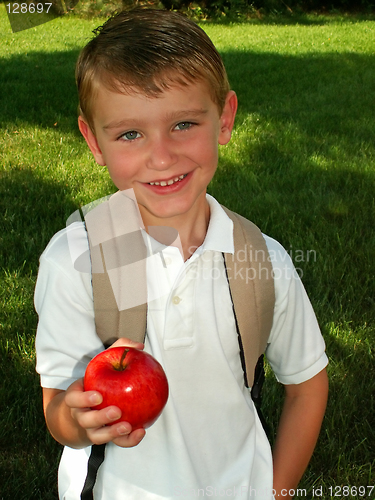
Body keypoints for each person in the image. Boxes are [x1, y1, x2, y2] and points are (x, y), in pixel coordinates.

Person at [34, 8, 329, 500]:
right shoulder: (76, 259)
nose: (163, 156)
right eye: (130, 133)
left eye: (184, 124)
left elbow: (306, 385)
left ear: (225, 118)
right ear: (94, 141)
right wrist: (81, 419)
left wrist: (276, 492)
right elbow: (57, 412)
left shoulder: (260, 259)